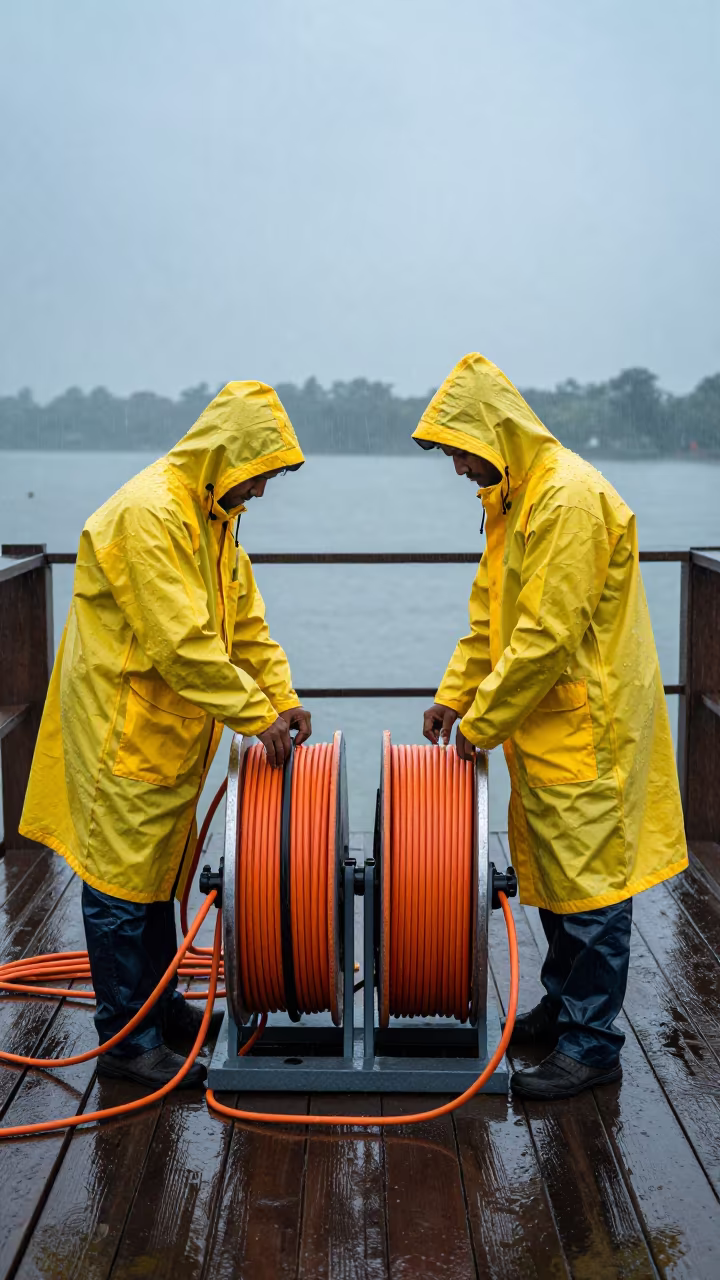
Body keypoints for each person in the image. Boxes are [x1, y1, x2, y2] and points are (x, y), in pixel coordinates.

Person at [20, 381, 312, 1087]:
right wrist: (256, 715)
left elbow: (242, 623)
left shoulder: (213, 516)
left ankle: (162, 1007)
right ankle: (126, 1043)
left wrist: (282, 695)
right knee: (121, 886)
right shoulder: (149, 515)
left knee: (156, 875)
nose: (264, 492)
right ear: (230, 455)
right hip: (125, 729)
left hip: (171, 733)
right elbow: (179, 642)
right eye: (262, 474)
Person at [415, 353, 687, 1099]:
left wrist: (484, 720)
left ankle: (592, 1045)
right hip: (548, 726)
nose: (459, 468)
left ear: (491, 434)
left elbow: (546, 636)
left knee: (592, 887)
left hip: (584, 724)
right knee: (562, 876)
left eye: (460, 451)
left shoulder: (565, 499)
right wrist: (455, 694)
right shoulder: (517, 499)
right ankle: (564, 1008)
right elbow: (491, 621)